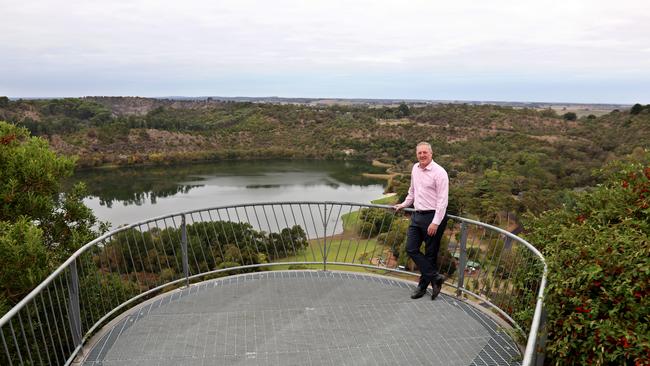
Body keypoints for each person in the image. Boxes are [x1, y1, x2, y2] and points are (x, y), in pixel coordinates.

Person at [394, 142, 449, 300]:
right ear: (416, 154)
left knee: (431, 254)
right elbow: (412, 192)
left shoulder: (439, 173)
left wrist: (436, 222)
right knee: (411, 248)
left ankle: (422, 288)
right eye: (420, 153)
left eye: (425, 152)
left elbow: (442, 201)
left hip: (433, 217)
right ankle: (436, 277)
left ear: (431, 154)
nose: (422, 155)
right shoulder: (415, 168)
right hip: (417, 215)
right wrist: (403, 205)